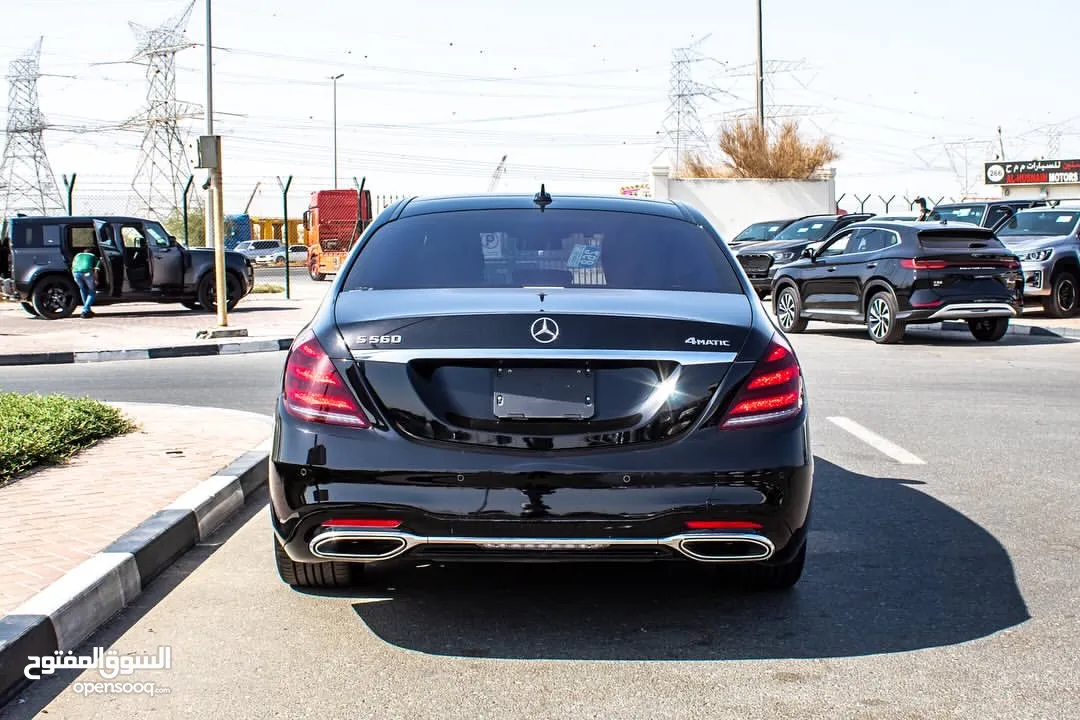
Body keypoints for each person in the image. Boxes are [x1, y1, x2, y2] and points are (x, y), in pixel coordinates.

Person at [71, 247, 102, 318]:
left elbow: (73, 266)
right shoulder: (93, 257)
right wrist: (96, 280)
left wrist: (74, 277)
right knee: (92, 291)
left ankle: (88, 310)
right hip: (87, 272)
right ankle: (85, 310)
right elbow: (96, 270)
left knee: (82, 289)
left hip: (76, 273)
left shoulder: (77, 255)